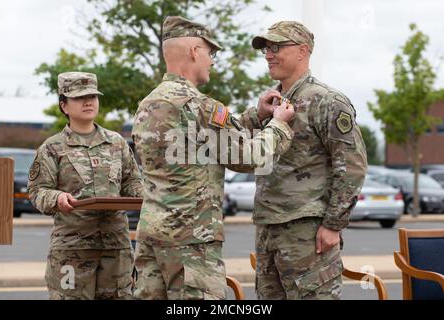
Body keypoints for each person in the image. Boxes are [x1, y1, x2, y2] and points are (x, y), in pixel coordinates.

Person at [131, 16, 295, 300]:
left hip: (151, 235)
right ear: (195, 51)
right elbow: (249, 157)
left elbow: (203, 141)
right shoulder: (201, 107)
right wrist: (279, 125)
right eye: (211, 52)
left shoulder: (148, 104)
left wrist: (255, 116)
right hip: (191, 240)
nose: (213, 61)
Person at [249, 21, 368, 300]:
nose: (268, 54)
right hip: (268, 228)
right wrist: (258, 116)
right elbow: (247, 152)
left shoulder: (327, 101)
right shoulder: (273, 103)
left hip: (308, 232)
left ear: (302, 51)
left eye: (276, 47)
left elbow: (351, 166)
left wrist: (332, 225)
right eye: (267, 48)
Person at [27, 72, 144, 300]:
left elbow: (132, 182)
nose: (88, 102)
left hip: (115, 248)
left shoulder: (117, 143)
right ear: (64, 105)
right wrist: (57, 198)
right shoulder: (52, 148)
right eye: (80, 98)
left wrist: (147, 198)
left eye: (92, 96)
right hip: (73, 249)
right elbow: (37, 191)